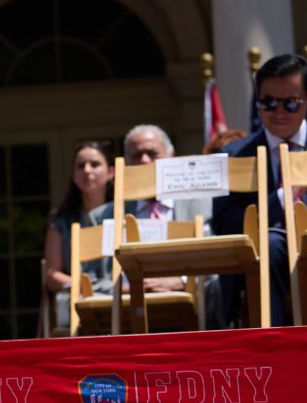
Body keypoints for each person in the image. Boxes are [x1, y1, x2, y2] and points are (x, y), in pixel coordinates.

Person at [212, 53, 307, 326]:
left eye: (291, 103)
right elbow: (224, 223)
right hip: (264, 258)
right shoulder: (234, 155)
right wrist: (281, 200)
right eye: (268, 102)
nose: (279, 112)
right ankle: (270, 344)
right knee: (270, 244)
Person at [121, 124, 223, 328]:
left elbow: (217, 260)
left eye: (152, 153)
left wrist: (182, 281)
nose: (144, 161)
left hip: (191, 313)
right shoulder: (111, 213)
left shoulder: (202, 204)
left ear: (171, 158)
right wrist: (124, 287)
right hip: (127, 315)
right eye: (136, 155)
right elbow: (95, 278)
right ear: (126, 164)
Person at [43, 141, 115, 331]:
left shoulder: (125, 215)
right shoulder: (60, 220)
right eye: (81, 166)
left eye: (95, 164)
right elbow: (52, 275)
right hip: (78, 302)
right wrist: (86, 288)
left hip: (119, 298)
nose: (87, 170)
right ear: (73, 176)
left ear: (111, 172)